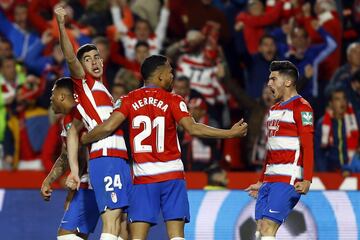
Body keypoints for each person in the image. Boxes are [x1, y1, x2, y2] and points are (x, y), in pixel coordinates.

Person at [81, 55, 248, 240]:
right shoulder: (174, 100)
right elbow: (193, 128)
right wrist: (229, 133)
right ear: (160, 77)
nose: (172, 77)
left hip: (143, 179)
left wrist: (85, 138)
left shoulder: (128, 99)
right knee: (176, 237)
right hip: (172, 177)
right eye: (170, 73)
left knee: (137, 238)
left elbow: (107, 127)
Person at [54, 7, 132, 240]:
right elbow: (69, 56)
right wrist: (61, 24)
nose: (94, 62)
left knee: (116, 223)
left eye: (96, 56)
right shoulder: (84, 84)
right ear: (80, 67)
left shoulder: (103, 90)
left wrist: (76, 171)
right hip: (107, 158)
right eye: (87, 60)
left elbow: (75, 133)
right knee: (112, 220)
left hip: (112, 160)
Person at [245, 61, 314, 240]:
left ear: (288, 82)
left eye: (273, 79)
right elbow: (271, 151)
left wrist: (307, 179)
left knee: (268, 227)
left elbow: (308, 145)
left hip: (288, 178)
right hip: (269, 178)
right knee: (260, 228)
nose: (269, 84)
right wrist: (261, 180)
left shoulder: (302, 107)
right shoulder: (273, 110)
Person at [40, 77, 99, 240]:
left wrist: (73, 190)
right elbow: (66, 155)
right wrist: (49, 180)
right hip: (94, 178)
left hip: (93, 179)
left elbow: (79, 151)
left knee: (66, 235)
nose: (50, 97)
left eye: (53, 93)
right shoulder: (68, 119)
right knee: (80, 234)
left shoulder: (80, 113)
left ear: (61, 96)